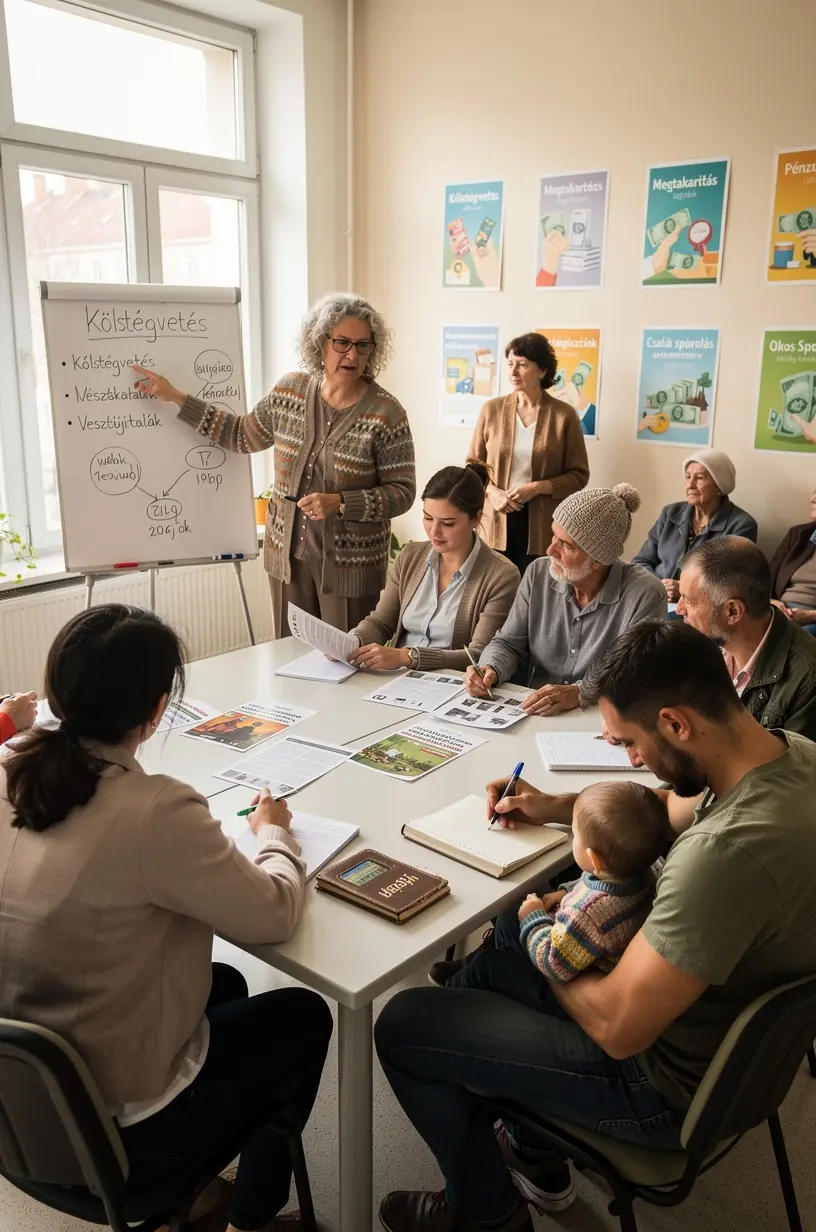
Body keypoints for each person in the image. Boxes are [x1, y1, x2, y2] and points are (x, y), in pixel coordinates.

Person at [374, 620, 816, 1232]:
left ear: (675, 723)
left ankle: (488, 1212)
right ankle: (533, 1149)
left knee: (406, 1022)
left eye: (631, 745)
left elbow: (615, 1025)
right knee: (508, 931)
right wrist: (558, 807)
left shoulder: (726, 856)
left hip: (656, 1086)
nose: (635, 763)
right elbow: (667, 806)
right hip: (713, 1035)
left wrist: (541, 936)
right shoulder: (785, 754)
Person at [0, 605, 332, 1232]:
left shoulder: (13, 767)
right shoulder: (155, 810)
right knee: (303, 1014)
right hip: (120, 1137)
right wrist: (274, 835)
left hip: (17, 1108)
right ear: (156, 713)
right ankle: (252, 1218)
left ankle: (208, 1187)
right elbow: (274, 912)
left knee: (226, 987)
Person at [133, 292, 416, 637]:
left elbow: (402, 493)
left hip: (350, 568)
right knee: (289, 660)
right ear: (319, 342)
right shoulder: (290, 392)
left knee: (348, 662)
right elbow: (240, 435)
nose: (352, 354)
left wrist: (341, 503)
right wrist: (177, 398)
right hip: (287, 561)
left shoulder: (387, 413)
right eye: (342, 342)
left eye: (363, 345)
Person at [439, 782, 667, 1007]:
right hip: (589, 951)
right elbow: (592, 882)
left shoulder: (585, 915)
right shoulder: (647, 870)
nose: (573, 838)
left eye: (576, 835)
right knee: (510, 915)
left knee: (488, 966)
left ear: (594, 859)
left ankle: (449, 995)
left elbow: (553, 962)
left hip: (571, 982)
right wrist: (565, 892)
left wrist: (533, 919)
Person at [466, 484, 666, 716]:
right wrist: (490, 668)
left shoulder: (647, 594)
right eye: (554, 535)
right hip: (533, 713)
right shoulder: (537, 573)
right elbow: (509, 643)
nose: (550, 550)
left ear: (598, 560)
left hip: (598, 720)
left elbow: (637, 678)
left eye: (566, 545)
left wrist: (580, 692)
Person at [346, 463, 519, 672]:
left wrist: (408, 657)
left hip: (451, 687)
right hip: (395, 679)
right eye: (428, 518)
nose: (434, 531)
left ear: (476, 517)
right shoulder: (411, 556)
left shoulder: (501, 576)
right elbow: (381, 623)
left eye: (447, 523)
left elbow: (479, 655)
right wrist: (352, 642)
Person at [467, 333, 589, 575]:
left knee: (533, 593)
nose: (513, 372)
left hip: (542, 526)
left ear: (542, 371)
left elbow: (579, 475)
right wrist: (494, 493)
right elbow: (473, 466)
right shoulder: (491, 410)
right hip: (495, 519)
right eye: (510, 364)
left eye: (522, 365)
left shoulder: (564, 416)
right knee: (492, 591)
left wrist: (537, 487)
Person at [676, 535, 816, 740]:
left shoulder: (808, 683)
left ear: (732, 611)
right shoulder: (706, 642)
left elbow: (783, 770)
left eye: (689, 601)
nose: (679, 609)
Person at [632, 450, 758, 604]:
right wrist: (659, 586)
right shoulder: (670, 513)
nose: (690, 485)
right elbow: (641, 562)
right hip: (656, 598)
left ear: (719, 485)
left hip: (700, 609)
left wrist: (686, 591)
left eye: (699, 478)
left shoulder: (741, 526)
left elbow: (732, 582)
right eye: (688, 477)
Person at [769, 488, 816, 635]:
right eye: (814, 492)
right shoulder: (798, 535)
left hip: (810, 618)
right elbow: (767, 578)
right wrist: (772, 602)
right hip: (779, 609)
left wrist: (809, 616)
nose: (812, 499)